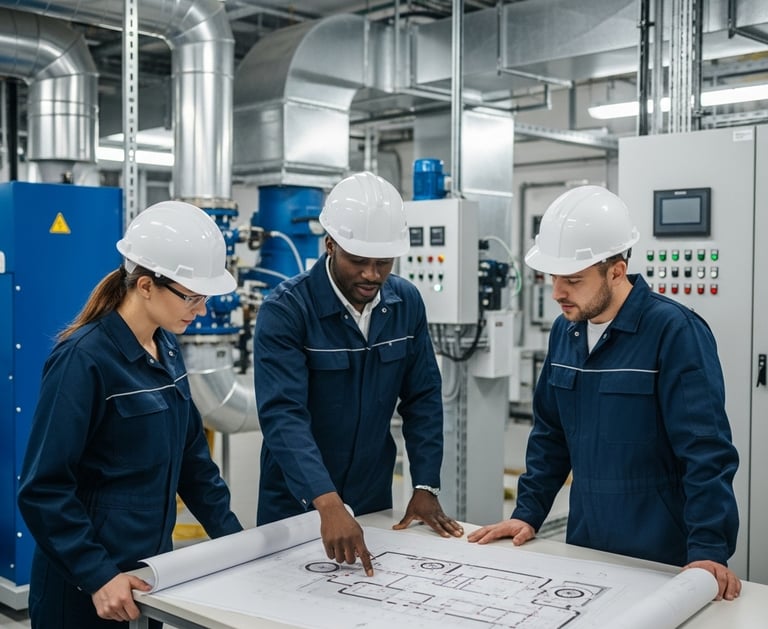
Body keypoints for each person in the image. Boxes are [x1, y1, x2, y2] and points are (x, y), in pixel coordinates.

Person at [467, 185, 741, 601]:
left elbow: (706, 452)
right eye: (552, 276)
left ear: (616, 270)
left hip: (663, 553)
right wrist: (528, 514)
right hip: (586, 542)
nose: (557, 291)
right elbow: (550, 434)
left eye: (573, 279)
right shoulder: (566, 330)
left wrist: (708, 550)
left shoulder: (673, 331)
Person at [17, 201, 243, 628]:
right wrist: (98, 575)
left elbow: (193, 461)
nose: (201, 309)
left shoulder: (168, 347)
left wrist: (235, 541)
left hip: (149, 575)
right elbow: (43, 489)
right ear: (144, 286)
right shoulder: (83, 360)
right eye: (191, 296)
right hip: (86, 589)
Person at [253, 171, 463, 576]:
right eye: (359, 260)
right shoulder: (287, 309)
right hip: (297, 500)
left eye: (383, 262)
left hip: (371, 493)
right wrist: (326, 502)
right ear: (330, 244)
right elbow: (283, 414)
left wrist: (425, 485)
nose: (371, 274)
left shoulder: (406, 303)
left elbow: (422, 397)